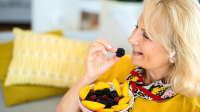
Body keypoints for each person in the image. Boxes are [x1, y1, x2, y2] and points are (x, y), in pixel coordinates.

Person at [56, 0, 200, 112]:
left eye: (146, 36)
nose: (131, 39)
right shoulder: (117, 67)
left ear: (176, 52)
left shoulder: (191, 105)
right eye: (136, 27)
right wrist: (89, 76)